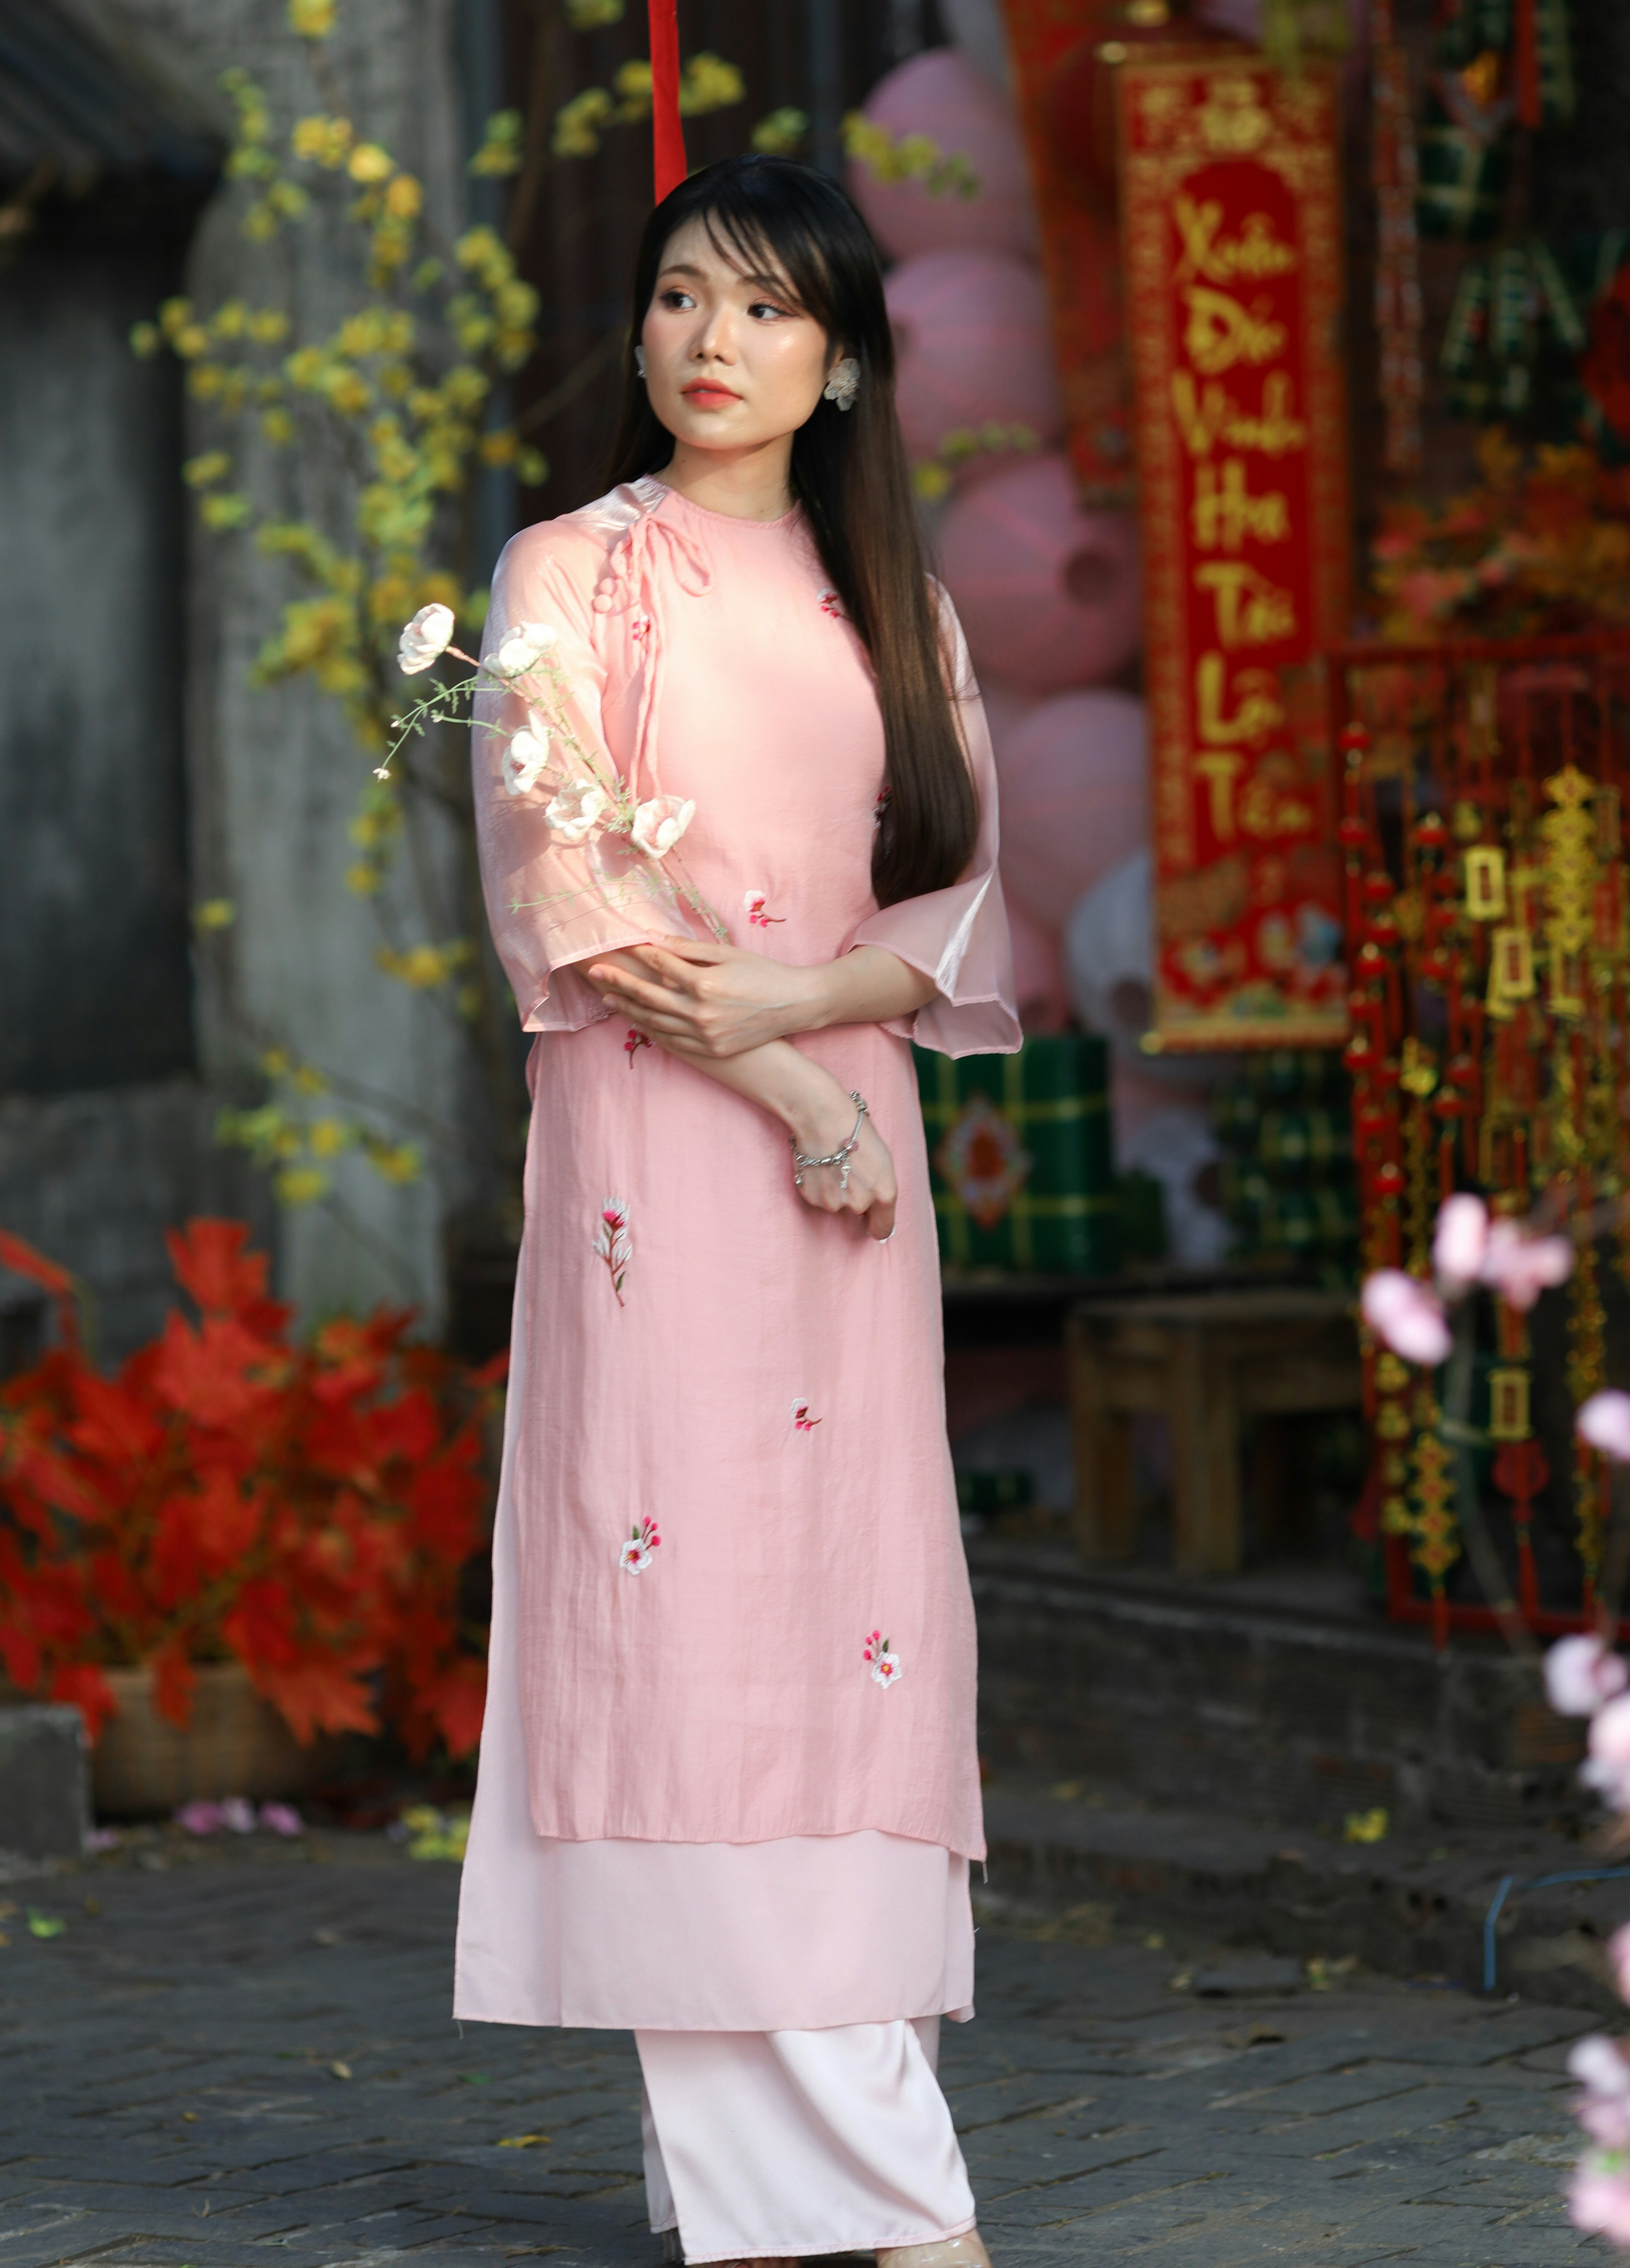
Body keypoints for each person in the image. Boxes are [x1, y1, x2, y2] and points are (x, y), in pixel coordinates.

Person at [455, 153, 1019, 2268]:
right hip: (664, 1152)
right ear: (634, 336)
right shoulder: (559, 578)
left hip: (846, 1156)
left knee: (854, 1617)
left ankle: (837, 2179)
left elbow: (956, 904)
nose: (716, 342)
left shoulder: (902, 611)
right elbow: (567, 887)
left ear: (844, 362)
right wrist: (785, 1078)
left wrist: (821, 1011)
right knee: (679, 1608)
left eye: (769, 308)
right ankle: (890, 2204)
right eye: (683, 298)